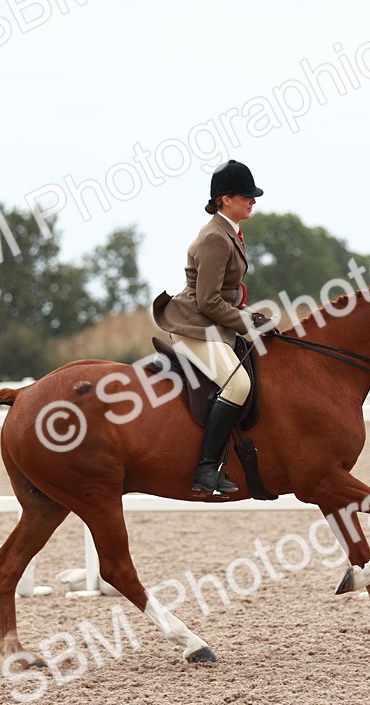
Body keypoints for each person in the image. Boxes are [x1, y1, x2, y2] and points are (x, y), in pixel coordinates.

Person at [152, 160, 276, 495]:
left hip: (212, 321)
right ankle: (205, 470)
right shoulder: (214, 239)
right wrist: (248, 327)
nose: (253, 201)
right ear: (225, 199)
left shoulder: (231, 233)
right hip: (194, 325)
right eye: (246, 196)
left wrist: (254, 317)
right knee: (237, 385)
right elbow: (207, 301)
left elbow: (225, 294)